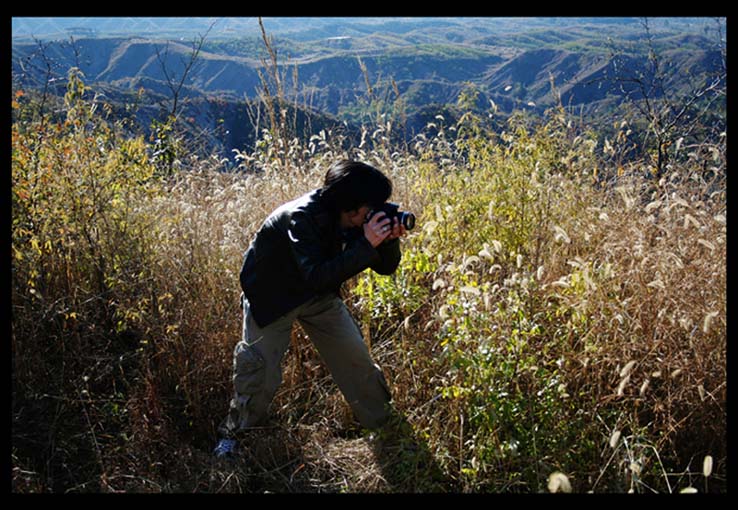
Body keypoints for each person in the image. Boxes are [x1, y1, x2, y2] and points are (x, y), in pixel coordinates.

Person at [214, 160, 407, 459]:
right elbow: (316, 275)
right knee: (259, 374)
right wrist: (366, 243)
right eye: (372, 205)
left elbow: (386, 267)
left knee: (356, 360)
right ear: (351, 206)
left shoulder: (355, 219)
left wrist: (387, 242)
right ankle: (234, 437)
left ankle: (386, 430)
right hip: (272, 298)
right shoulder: (301, 218)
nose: (376, 210)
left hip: (317, 296)